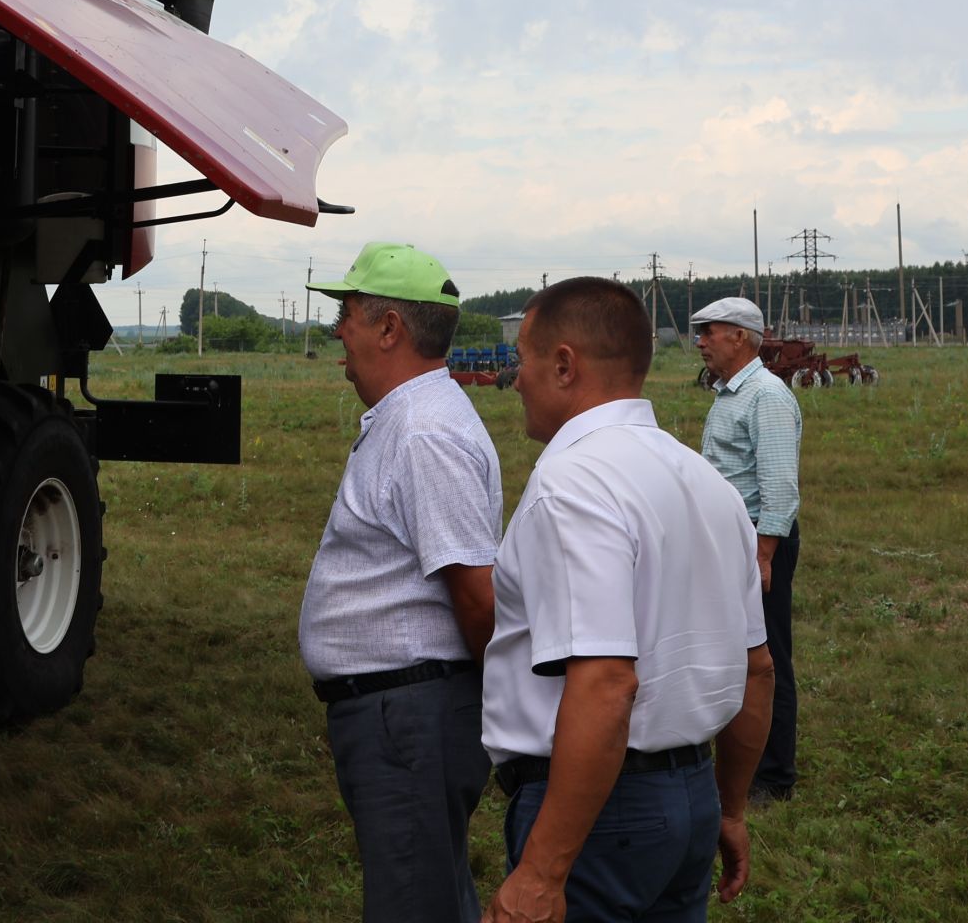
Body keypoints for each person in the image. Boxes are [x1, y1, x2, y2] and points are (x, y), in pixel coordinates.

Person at [483, 277, 774, 923]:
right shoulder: (708, 484)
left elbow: (608, 683)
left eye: (520, 363)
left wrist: (541, 872)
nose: (515, 382)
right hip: (690, 799)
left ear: (563, 365)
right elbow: (757, 669)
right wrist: (727, 808)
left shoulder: (574, 486)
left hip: (601, 816)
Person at [300, 242, 504, 923]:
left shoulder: (423, 432)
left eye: (347, 312)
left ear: (390, 329)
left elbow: (477, 596)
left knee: (414, 904)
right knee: (429, 893)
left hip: (408, 717)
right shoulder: (413, 419)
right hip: (402, 714)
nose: (339, 330)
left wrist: (500, 707)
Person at [690, 295, 802, 803]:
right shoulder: (730, 393)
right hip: (732, 538)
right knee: (733, 649)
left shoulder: (766, 396)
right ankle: (740, 756)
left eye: (708, 331)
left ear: (739, 336)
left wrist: (763, 554)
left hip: (758, 539)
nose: (700, 341)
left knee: (766, 654)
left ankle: (774, 776)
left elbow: (779, 486)